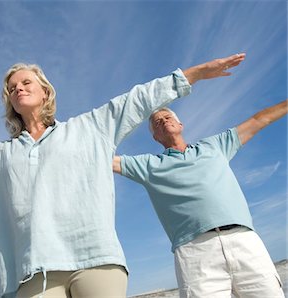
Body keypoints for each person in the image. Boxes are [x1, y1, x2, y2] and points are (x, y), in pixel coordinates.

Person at [0, 53, 245, 298]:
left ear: (45, 91)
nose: (18, 88)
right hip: (35, 274)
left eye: (26, 82)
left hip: (96, 261)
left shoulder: (90, 128)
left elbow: (138, 98)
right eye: (12, 88)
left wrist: (192, 75)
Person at [113, 99, 287, 297]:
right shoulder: (148, 165)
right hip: (195, 254)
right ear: (155, 137)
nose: (163, 121)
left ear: (180, 125)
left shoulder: (215, 146)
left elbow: (259, 119)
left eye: (167, 117)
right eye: (157, 122)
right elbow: (106, 161)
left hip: (244, 240)